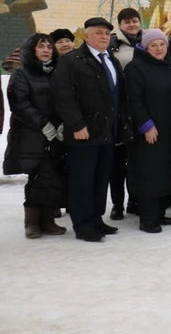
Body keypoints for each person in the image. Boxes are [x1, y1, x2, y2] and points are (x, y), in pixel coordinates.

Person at [52, 17, 131, 242]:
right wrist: (76, 125)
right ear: (86, 37)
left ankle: (96, 218)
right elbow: (63, 96)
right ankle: (83, 224)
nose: (103, 37)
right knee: (82, 180)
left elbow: (118, 95)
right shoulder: (71, 61)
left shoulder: (111, 60)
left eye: (106, 33)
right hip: (83, 133)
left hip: (108, 132)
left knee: (100, 178)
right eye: (98, 33)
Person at [3, 34, 68, 239]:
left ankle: (48, 221)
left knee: (52, 175)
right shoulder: (22, 73)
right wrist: (43, 124)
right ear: (32, 50)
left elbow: (66, 99)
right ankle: (31, 223)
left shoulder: (58, 72)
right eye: (41, 47)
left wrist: (63, 122)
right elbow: (19, 103)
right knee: (36, 177)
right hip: (30, 134)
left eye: (49, 47)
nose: (47, 50)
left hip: (56, 135)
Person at [124, 29, 171, 233]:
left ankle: (159, 213)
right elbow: (133, 99)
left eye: (162, 44)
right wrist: (146, 125)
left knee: (165, 172)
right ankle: (147, 218)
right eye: (153, 45)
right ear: (145, 47)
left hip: (170, 128)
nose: (159, 49)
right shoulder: (136, 68)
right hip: (149, 130)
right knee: (149, 174)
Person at [107, 7, 143, 219]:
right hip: (118, 110)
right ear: (120, 24)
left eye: (134, 20)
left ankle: (135, 200)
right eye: (126, 21)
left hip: (139, 109)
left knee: (137, 161)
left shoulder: (147, 42)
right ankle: (117, 204)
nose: (131, 24)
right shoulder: (112, 45)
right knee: (117, 163)